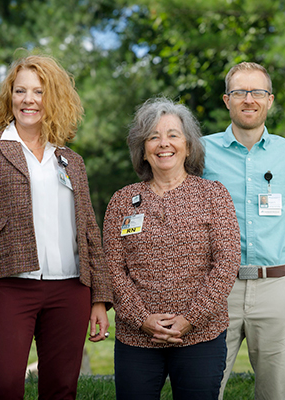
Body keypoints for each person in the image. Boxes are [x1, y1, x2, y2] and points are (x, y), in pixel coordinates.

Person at [0, 54, 112, 400]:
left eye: (38, 92)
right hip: (9, 287)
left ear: (52, 98)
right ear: (9, 97)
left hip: (70, 289)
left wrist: (99, 298)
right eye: (20, 91)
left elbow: (88, 232)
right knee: (5, 385)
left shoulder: (71, 160)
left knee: (62, 388)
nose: (28, 100)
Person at [103, 97, 241, 400]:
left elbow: (227, 263)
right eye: (153, 137)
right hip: (136, 339)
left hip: (201, 335)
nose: (163, 144)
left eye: (173, 135)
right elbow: (113, 269)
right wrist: (142, 320)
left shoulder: (214, 195)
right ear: (143, 150)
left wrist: (190, 318)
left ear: (188, 146)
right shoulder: (122, 201)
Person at [202, 62, 285, 400]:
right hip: (217, 289)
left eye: (257, 92)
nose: (249, 99)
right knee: (204, 388)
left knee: (274, 394)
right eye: (240, 92)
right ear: (227, 100)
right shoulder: (200, 150)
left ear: (270, 100)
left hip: (277, 290)